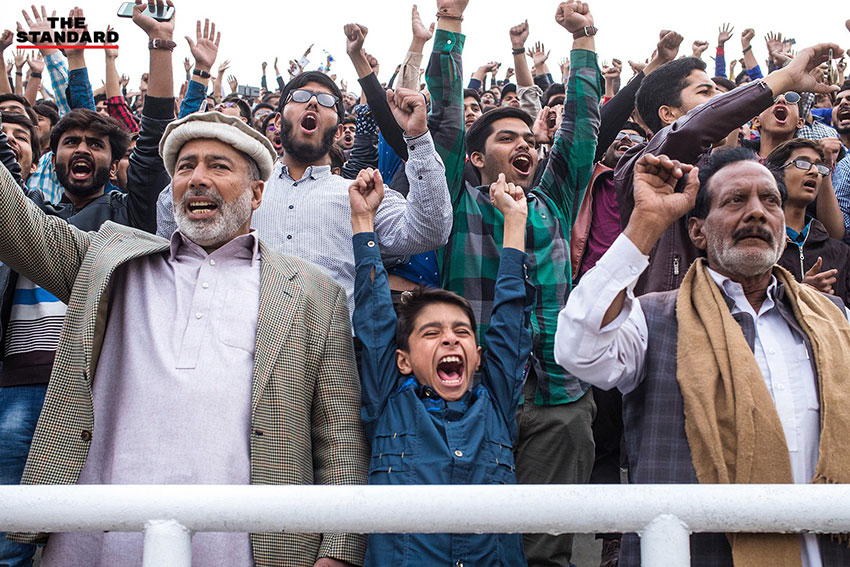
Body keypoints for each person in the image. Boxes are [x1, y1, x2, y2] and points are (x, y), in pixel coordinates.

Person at [1, 110, 367, 567]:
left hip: (253, 549)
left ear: (257, 194)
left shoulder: (315, 292)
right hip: (96, 544)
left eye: (218, 166)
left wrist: (339, 552)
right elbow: (14, 225)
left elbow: (339, 435)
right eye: (185, 166)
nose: (197, 179)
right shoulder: (109, 260)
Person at [556, 148, 850, 567]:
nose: (756, 213)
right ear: (696, 231)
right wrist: (646, 224)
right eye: (735, 201)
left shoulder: (833, 320)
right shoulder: (652, 320)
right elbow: (577, 349)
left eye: (770, 200)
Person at [430, 1, 602, 564]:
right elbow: (447, 119)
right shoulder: (459, 202)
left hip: (557, 400)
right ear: (477, 158)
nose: (524, 144)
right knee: (474, 544)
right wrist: (450, 26)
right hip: (475, 396)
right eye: (506, 138)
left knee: (545, 551)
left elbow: (580, 129)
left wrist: (583, 44)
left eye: (529, 137)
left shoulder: (552, 203)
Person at [157, 69, 452, 317]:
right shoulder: (240, 189)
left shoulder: (361, 195)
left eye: (326, 101)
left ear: (338, 132)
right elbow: (172, 239)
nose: (312, 102)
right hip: (245, 349)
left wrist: (418, 138)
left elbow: (430, 232)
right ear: (277, 121)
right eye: (299, 96)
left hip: (336, 352)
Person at [352, 170, 532, 567]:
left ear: (479, 355)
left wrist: (515, 223)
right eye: (431, 333)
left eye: (462, 332)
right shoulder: (389, 399)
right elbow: (374, 314)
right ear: (402, 360)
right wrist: (364, 222)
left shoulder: (496, 401)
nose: (450, 340)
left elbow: (511, 318)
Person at [615, 42, 844, 294]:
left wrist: (792, 293)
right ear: (668, 115)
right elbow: (693, 129)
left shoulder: (721, 174)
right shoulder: (643, 165)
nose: (721, 100)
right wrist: (783, 78)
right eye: (705, 92)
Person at [765, 139, 850, 305]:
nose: (814, 171)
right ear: (776, 174)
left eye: (819, 166)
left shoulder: (840, 252)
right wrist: (800, 292)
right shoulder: (759, 244)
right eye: (803, 163)